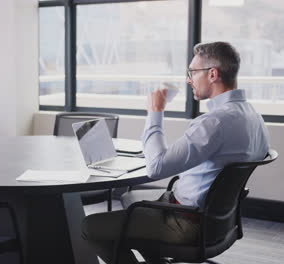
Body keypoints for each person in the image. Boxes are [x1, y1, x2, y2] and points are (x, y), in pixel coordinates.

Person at [81, 41, 270, 264]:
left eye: (192, 72)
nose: (189, 79)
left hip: (188, 223)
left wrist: (155, 112)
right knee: (129, 197)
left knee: (89, 226)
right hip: (220, 220)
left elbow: (156, 168)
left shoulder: (215, 122)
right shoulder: (255, 118)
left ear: (212, 74)